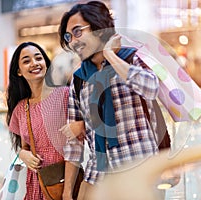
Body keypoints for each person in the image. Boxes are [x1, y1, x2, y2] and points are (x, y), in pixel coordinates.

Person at [58, 1, 162, 199]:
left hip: (139, 167)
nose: (73, 41)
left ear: (98, 28)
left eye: (78, 32)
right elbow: (73, 145)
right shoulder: (79, 79)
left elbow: (152, 88)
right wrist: (67, 191)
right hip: (98, 172)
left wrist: (110, 57)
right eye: (68, 36)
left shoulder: (130, 58)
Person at [6, 42, 84, 200]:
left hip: (64, 182)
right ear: (18, 71)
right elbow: (25, 145)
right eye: (26, 61)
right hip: (36, 183)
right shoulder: (22, 108)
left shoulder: (64, 95)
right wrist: (23, 154)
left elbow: (75, 145)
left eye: (38, 58)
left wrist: (67, 192)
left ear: (46, 64)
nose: (34, 63)